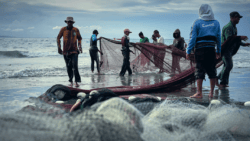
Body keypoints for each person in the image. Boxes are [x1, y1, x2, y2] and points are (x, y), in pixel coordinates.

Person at [186, 4, 221, 98]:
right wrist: (218, 50)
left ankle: (199, 93)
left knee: (199, 70)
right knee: (212, 70)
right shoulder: (216, 23)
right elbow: (218, 38)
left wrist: (188, 51)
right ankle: (211, 93)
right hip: (211, 49)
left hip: (200, 50)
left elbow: (192, 38)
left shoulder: (197, 22)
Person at [216, 11, 250, 87]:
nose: (239, 20)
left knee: (228, 65)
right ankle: (222, 82)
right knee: (228, 65)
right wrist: (240, 37)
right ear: (233, 18)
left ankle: (219, 78)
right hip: (225, 50)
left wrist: (244, 44)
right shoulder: (228, 27)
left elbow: (235, 40)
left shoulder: (234, 27)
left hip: (229, 50)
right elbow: (229, 39)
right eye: (238, 18)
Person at [57, 17, 82, 87]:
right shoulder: (63, 29)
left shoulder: (76, 30)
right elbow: (58, 37)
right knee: (68, 67)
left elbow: (79, 38)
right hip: (65, 51)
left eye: (71, 22)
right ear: (66, 22)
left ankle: (76, 81)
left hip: (74, 51)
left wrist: (80, 46)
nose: (69, 23)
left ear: (73, 23)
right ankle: (71, 81)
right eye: (68, 22)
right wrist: (59, 47)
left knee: (75, 66)